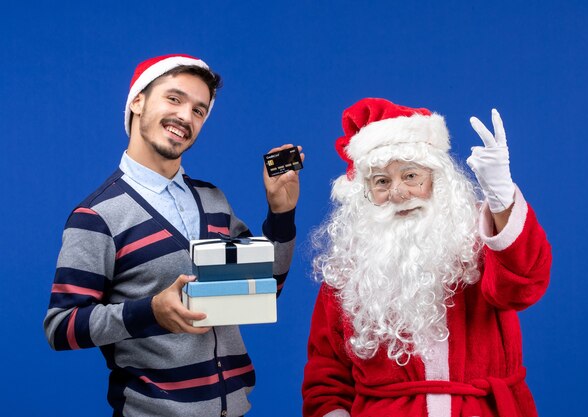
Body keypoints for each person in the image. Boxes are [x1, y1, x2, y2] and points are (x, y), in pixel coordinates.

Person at [44, 54, 302, 417]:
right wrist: (150, 311)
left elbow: (264, 288)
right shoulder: (97, 216)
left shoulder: (213, 200)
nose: (186, 116)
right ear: (137, 101)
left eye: (199, 110)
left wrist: (281, 213)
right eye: (174, 98)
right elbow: (61, 327)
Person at [302, 97, 551, 417]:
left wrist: (502, 199)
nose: (398, 192)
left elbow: (524, 284)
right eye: (381, 181)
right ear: (365, 193)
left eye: (410, 176)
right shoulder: (350, 271)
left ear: (436, 179)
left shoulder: (478, 238)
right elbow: (326, 378)